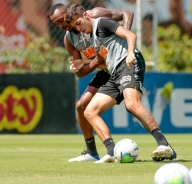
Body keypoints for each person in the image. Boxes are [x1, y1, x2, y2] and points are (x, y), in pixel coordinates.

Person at [66, 4, 177, 163]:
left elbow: (130, 35)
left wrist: (130, 52)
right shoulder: (94, 36)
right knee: (89, 111)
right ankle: (111, 152)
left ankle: (164, 145)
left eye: (78, 23)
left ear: (86, 15)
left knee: (131, 104)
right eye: (74, 27)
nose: (79, 29)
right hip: (114, 72)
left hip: (128, 64)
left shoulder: (103, 23)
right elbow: (104, 60)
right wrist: (82, 61)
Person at [49, 3, 134, 162]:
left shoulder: (94, 15)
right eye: (56, 24)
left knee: (132, 105)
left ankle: (161, 142)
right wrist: (96, 61)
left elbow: (127, 12)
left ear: (68, 13)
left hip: (120, 64)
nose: (60, 25)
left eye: (61, 20)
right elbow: (80, 72)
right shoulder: (69, 39)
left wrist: (124, 39)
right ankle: (91, 152)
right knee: (81, 106)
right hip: (104, 69)